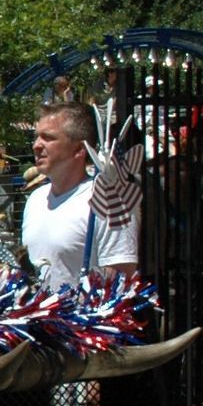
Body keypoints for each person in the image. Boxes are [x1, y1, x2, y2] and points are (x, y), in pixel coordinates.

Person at [22, 98, 138, 288]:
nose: (36, 145)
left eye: (48, 137)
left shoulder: (109, 201)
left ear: (79, 149)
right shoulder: (35, 200)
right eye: (36, 137)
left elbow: (121, 280)